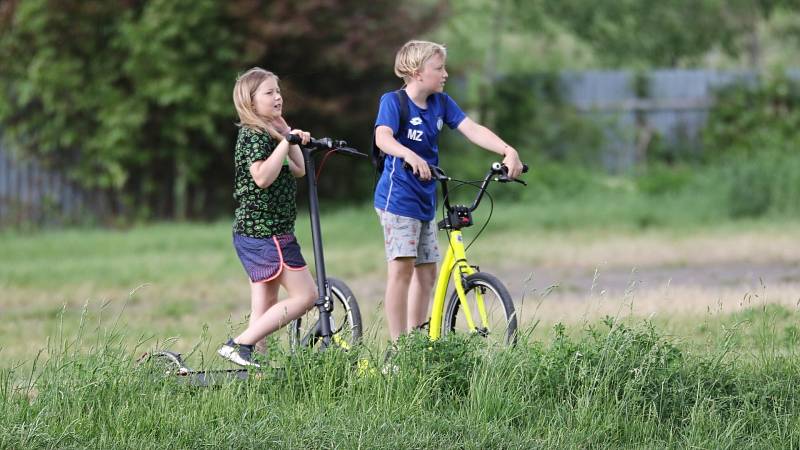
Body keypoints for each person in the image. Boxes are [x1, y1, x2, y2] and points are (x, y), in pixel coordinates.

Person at [373, 40, 524, 341]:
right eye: (438, 68)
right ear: (417, 73)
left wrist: (509, 151)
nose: (445, 74)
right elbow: (382, 138)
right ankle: (397, 347)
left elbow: (473, 129)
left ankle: (416, 341)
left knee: (427, 273)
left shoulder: (441, 103)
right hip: (398, 199)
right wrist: (408, 154)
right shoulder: (394, 102)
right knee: (402, 271)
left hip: (426, 198)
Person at [217, 67, 317, 367]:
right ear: (250, 101)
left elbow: (298, 169)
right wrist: (286, 143)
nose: (278, 97)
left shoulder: (271, 133)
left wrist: (288, 137)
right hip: (266, 233)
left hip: (265, 232)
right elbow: (261, 177)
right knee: (306, 296)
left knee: (264, 308)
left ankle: (255, 373)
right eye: (269, 92)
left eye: (278, 91)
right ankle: (240, 344)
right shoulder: (252, 136)